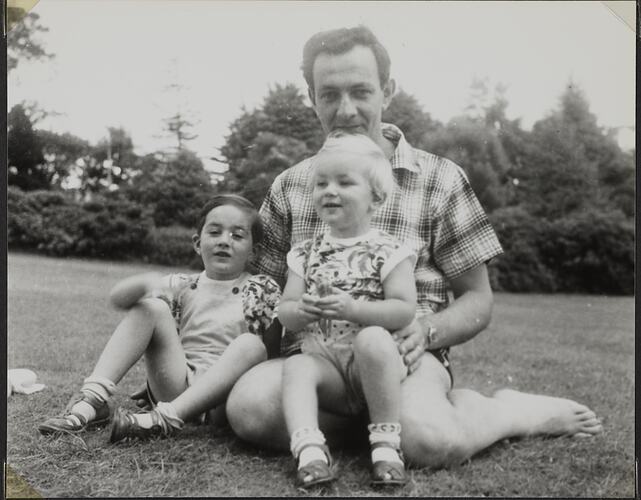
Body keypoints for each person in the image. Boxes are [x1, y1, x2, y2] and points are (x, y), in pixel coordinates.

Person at [225, 25, 602, 468]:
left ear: (388, 89)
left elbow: (478, 299)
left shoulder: (440, 178)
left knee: (431, 440)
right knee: (248, 409)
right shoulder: (291, 185)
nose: (346, 110)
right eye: (329, 95)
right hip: (317, 364)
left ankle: (507, 410)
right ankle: (384, 432)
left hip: (406, 359)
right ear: (311, 99)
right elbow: (267, 297)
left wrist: (425, 331)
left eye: (361, 91)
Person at [39, 194, 281, 442]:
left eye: (237, 236)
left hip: (226, 397)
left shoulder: (261, 289)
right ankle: (91, 400)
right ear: (198, 243)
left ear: (254, 252)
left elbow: (270, 353)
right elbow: (118, 300)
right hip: (176, 386)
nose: (224, 241)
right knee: (151, 307)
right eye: (215, 232)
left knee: (251, 344)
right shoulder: (181, 285)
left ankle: (162, 420)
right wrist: (147, 282)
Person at [279, 132, 416, 487]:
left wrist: (354, 308)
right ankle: (309, 449)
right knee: (296, 365)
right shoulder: (304, 253)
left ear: (377, 197)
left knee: (372, 339)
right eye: (321, 183)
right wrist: (302, 309)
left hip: (372, 367)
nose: (329, 190)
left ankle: (386, 446)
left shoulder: (389, 250)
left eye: (344, 182)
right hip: (327, 368)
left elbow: (403, 311)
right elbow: (285, 312)